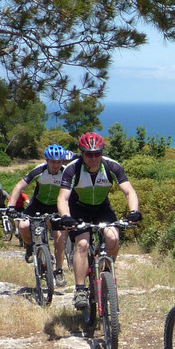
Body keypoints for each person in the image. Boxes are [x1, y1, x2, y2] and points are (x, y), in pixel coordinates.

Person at [56, 132, 141, 311]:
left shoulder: (112, 167)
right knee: (83, 244)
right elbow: (63, 198)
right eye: (89, 154)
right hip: (79, 209)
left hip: (102, 208)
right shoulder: (72, 169)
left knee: (113, 239)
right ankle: (80, 290)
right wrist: (65, 217)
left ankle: (107, 275)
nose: (93, 158)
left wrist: (134, 211)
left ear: (102, 152)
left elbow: (129, 191)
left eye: (97, 153)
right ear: (82, 153)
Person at [8, 144, 71, 285]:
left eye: (59, 162)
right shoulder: (39, 170)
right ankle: (30, 246)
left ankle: (59, 270)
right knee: (23, 226)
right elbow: (19, 186)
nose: (56, 165)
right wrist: (11, 206)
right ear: (47, 160)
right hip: (38, 204)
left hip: (57, 206)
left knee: (60, 237)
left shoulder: (67, 173)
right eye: (53, 162)